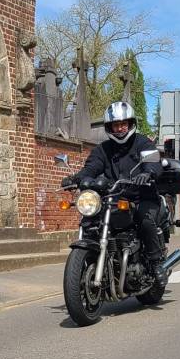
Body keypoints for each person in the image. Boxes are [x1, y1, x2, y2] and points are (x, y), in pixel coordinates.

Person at [62, 100, 166, 282]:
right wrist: (76, 179)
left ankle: (157, 263)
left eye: (123, 124)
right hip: (113, 198)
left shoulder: (143, 143)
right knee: (91, 221)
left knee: (145, 221)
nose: (120, 129)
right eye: (116, 125)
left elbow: (153, 163)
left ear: (130, 124)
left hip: (142, 196)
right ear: (109, 127)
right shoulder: (103, 149)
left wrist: (148, 173)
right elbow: (91, 168)